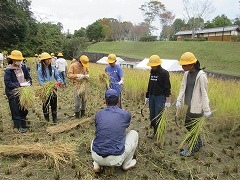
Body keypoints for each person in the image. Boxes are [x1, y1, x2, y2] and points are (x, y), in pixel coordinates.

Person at [91, 89, 139, 173]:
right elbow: (125, 127)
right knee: (134, 133)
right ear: (118, 101)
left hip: (96, 156)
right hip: (115, 160)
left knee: (95, 139)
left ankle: (97, 164)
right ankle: (126, 164)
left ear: (105, 101)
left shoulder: (98, 114)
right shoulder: (125, 114)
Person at [176, 52, 212, 156]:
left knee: (190, 125)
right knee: (189, 125)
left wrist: (206, 109)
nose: (182, 67)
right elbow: (182, 87)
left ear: (192, 64)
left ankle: (193, 148)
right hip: (189, 104)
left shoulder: (201, 76)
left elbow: (205, 93)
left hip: (197, 106)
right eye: (182, 64)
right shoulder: (186, 74)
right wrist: (179, 100)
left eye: (185, 65)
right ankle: (198, 142)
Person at [4, 50, 32, 133]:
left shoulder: (23, 67)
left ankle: (23, 123)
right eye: (18, 60)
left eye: (20, 60)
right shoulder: (9, 70)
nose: (20, 61)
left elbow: (28, 77)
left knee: (24, 108)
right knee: (15, 109)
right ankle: (18, 126)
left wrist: (29, 82)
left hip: (22, 92)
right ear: (13, 60)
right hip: (12, 93)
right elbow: (8, 83)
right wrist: (20, 84)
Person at [145, 55, 171, 139]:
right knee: (152, 116)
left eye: (153, 65)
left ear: (158, 64)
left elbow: (167, 87)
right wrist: (147, 96)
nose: (152, 66)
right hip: (152, 96)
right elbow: (150, 84)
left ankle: (160, 135)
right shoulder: (152, 72)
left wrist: (167, 101)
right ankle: (155, 132)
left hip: (160, 97)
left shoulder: (164, 73)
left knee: (158, 116)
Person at [37, 52, 62, 124]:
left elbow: (57, 76)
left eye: (49, 59)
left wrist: (58, 83)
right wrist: (46, 86)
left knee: (54, 104)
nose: (49, 61)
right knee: (45, 105)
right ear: (43, 61)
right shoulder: (40, 69)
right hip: (45, 90)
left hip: (53, 89)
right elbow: (40, 80)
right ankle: (47, 119)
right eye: (47, 60)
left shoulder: (53, 68)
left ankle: (55, 119)